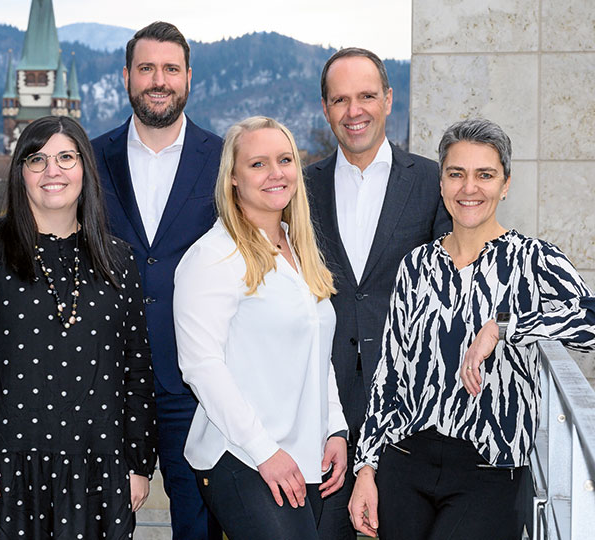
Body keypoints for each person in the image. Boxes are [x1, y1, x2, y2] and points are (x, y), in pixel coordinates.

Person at [348, 118, 595, 539]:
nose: (469, 188)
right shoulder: (416, 266)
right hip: (404, 463)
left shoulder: (532, 259)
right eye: (457, 174)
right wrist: (366, 468)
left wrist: (503, 325)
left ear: (505, 184)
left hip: (491, 471)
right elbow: (389, 375)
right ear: (442, 183)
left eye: (484, 175)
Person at [0, 116, 157, 540]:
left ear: (85, 168)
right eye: (37, 159)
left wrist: (138, 463)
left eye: (66, 157)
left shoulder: (118, 260)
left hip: (96, 475)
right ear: (21, 173)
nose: (53, 171)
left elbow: (136, 368)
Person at [174, 116, 349, 539]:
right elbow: (202, 367)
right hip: (242, 456)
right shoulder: (213, 257)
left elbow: (316, 352)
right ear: (233, 177)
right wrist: (264, 452)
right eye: (258, 164)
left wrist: (336, 429)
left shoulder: (300, 250)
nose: (276, 173)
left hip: (306, 455)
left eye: (285, 160)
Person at [304, 47, 452, 539]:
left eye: (367, 95)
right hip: (323, 412)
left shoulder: (434, 183)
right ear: (325, 108)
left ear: (389, 99)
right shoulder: (301, 189)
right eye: (340, 99)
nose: (354, 111)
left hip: (410, 414)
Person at [91, 21, 224, 540]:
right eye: (146, 68)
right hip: (103, 383)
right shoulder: (89, 158)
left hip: (193, 386)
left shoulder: (222, 160)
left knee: (198, 527)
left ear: (189, 77)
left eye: (170, 68)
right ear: (127, 76)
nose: (158, 80)